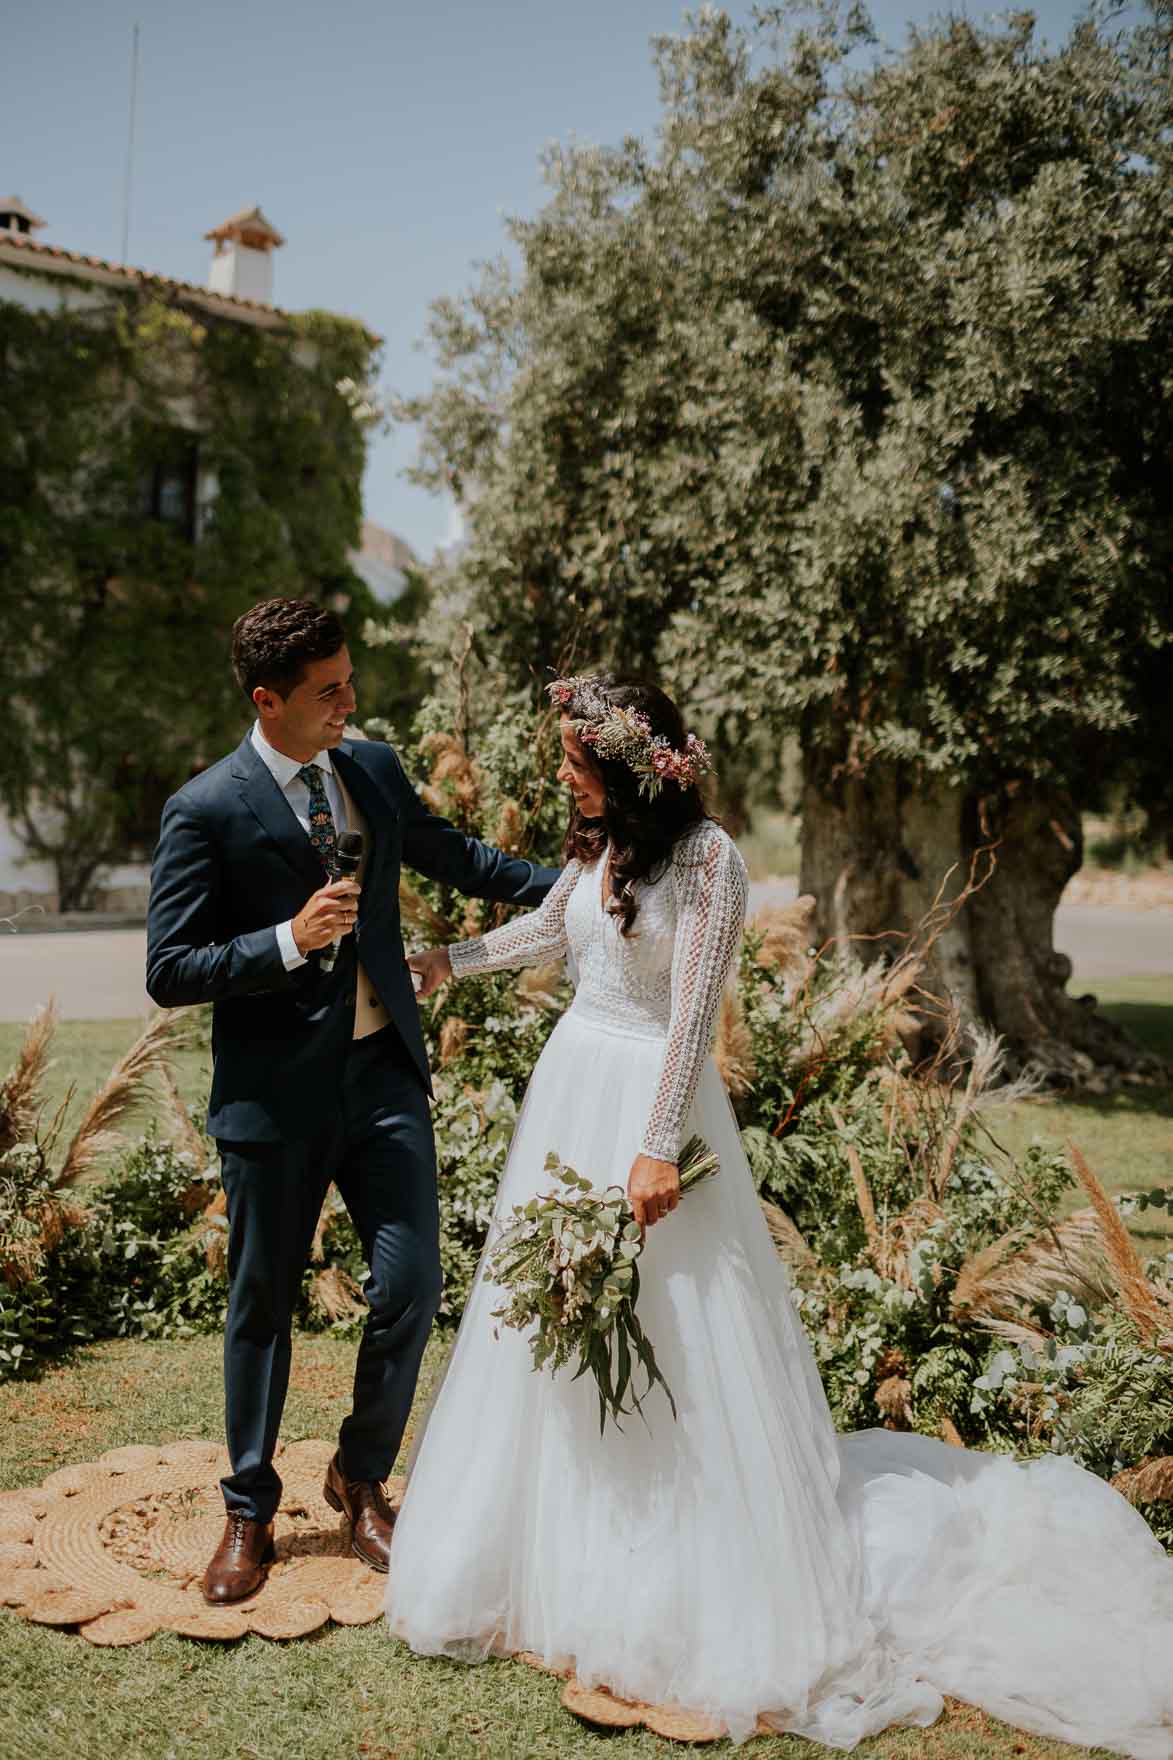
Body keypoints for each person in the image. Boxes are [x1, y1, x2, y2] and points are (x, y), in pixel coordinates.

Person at [385, 673, 1173, 1755]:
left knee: (672, 1328)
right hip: (570, 1095)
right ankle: (549, 1551)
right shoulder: (594, 843)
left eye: (576, 755)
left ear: (629, 761)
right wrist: (446, 962)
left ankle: (683, 1558)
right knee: (559, 1326)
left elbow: (693, 1015)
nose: (561, 769)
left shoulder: (710, 861)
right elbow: (543, 936)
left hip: (651, 1109)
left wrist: (657, 1144)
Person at [145, 597, 559, 1606]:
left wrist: (581, 886)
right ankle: (248, 1507)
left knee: (412, 1283)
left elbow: (455, 854)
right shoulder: (204, 808)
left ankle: (361, 1476)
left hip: (381, 1078)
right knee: (260, 1310)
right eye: (329, 690)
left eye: (349, 680)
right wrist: (287, 939)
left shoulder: (368, 767)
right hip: (274, 1103)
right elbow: (169, 966)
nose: (350, 701)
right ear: (267, 699)